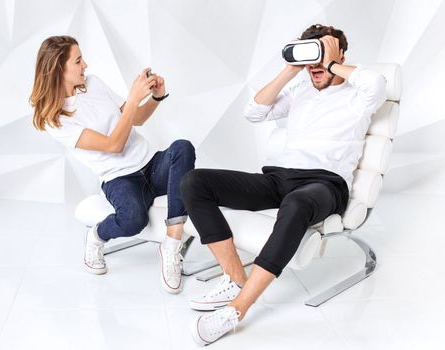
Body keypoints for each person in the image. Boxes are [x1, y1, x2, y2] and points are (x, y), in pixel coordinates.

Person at [180, 24, 387, 345]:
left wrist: (329, 63)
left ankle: (236, 310)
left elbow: (377, 83)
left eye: (322, 53)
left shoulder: (358, 94)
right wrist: (291, 69)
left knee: (297, 204)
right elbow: (253, 112)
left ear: (340, 55)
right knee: (195, 181)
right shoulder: (300, 90)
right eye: (310, 55)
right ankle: (235, 278)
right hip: (280, 177)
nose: (316, 65)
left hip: (326, 184)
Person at [30, 36, 195, 294]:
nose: (86, 64)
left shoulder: (93, 84)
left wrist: (154, 98)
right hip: (119, 179)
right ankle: (96, 236)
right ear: (60, 68)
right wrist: (131, 98)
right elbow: (113, 145)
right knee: (132, 220)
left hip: (150, 164)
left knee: (182, 148)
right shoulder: (56, 119)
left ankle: (172, 244)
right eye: (78, 60)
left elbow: (135, 119)